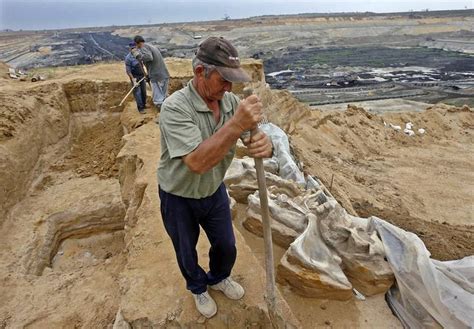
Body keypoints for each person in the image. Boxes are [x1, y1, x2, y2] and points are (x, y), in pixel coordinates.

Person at [157, 36, 273, 318]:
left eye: (232, 81)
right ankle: (197, 286)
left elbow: (253, 136)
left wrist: (265, 145)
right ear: (200, 73)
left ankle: (219, 277)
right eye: (223, 80)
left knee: (226, 245)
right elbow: (197, 161)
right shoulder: (174, 108)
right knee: (186, 250)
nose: (229, 88)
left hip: (213, 190)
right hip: (178, 196)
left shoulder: (230, 102)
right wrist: (237, 124)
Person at [132, 35, 169, 109]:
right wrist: (149, 74)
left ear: (138, 43)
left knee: (158, 98)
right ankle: (165, 109)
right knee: (163, 95)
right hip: (163, 73)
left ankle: (160, 110)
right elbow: (153, 62)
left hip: (156, 75)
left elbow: (149, 57)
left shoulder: (143, 47)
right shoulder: (150, 46)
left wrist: (138, 55)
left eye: (136, 45)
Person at [124, 42, 147, 113]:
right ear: (130, 49)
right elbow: (128, 71)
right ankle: (140, 108)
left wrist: (145, 74)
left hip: (141, 75)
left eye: (134, 48)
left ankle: (144, 105)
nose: (133, 49)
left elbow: (142, 65)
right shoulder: (128, 58)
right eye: (132, 48)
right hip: (135, 77)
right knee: (138, 93)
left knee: (143, 91)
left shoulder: (139, 55)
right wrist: (133, 80)